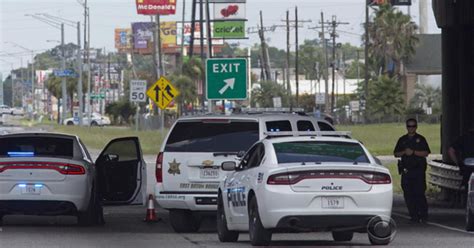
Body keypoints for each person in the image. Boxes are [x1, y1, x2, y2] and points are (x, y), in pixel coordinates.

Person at [394, 118, 431, 223]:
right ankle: (413, 215)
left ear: (416, 127)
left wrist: (414, 152)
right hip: (406, 171)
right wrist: (405, 152)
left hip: (418, 171)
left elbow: (426, 153)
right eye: (409, 126)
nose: (411, 128)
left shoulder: (421, 139)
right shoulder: (402, 139)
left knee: (419, 193)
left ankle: (423, 215)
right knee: (408, 194)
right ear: (406, 127)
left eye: (413, 126)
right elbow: (396, 153)